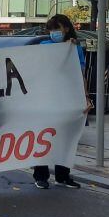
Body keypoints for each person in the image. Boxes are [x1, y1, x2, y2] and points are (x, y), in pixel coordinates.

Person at [32, 14, 88, 190]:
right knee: (43, 137)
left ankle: (63, 176)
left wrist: (85, 96)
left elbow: (80, 74)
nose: (53, 33)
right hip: (46, 99)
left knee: (66, 138)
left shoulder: (74, 48)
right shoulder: (44, 46)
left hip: (67, 98)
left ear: (66, 28)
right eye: (51, 30)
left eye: (57, 29)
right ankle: (41, 175)